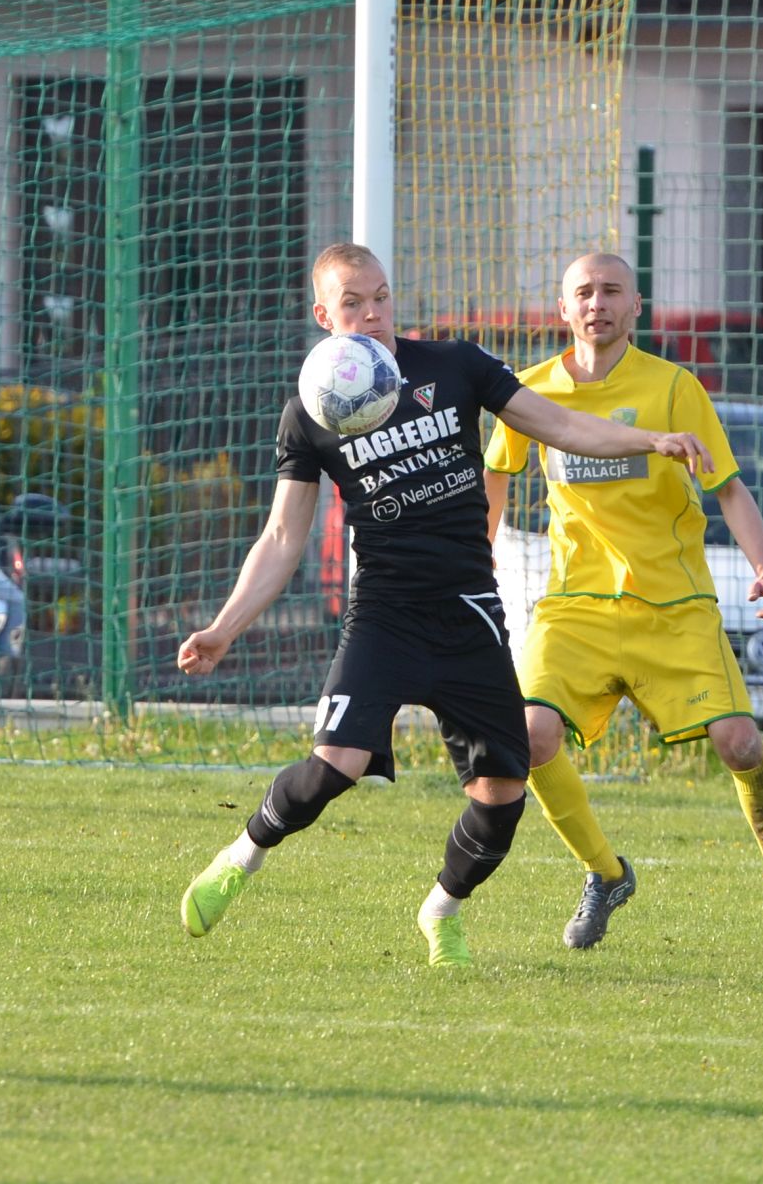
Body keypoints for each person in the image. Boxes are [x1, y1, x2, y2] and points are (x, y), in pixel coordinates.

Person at [176, 243, 715, 968]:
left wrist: (650, 440)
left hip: (469, 613)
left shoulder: (455, 366)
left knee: (502, 796)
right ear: (324, 316)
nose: (372, 314)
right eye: (353, 304)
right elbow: (281, 537)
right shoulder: (310, 410)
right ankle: (239, 858)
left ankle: (441, 911)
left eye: (381, 297)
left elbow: (558, 424)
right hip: (386, 612)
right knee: (335, 764)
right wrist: (223, 628)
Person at [484, 252, 763, 955]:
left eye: (612, 290)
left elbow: (728, 487)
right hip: (575, 608)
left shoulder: (674, 387)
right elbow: (496, 475)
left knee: (740, 744)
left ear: (635, 305)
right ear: (563, 309)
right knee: (528, 736)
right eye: (584, 293)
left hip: (675, 606)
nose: (598, 303)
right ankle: (604, 872)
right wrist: (475, 560)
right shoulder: (532, 390)